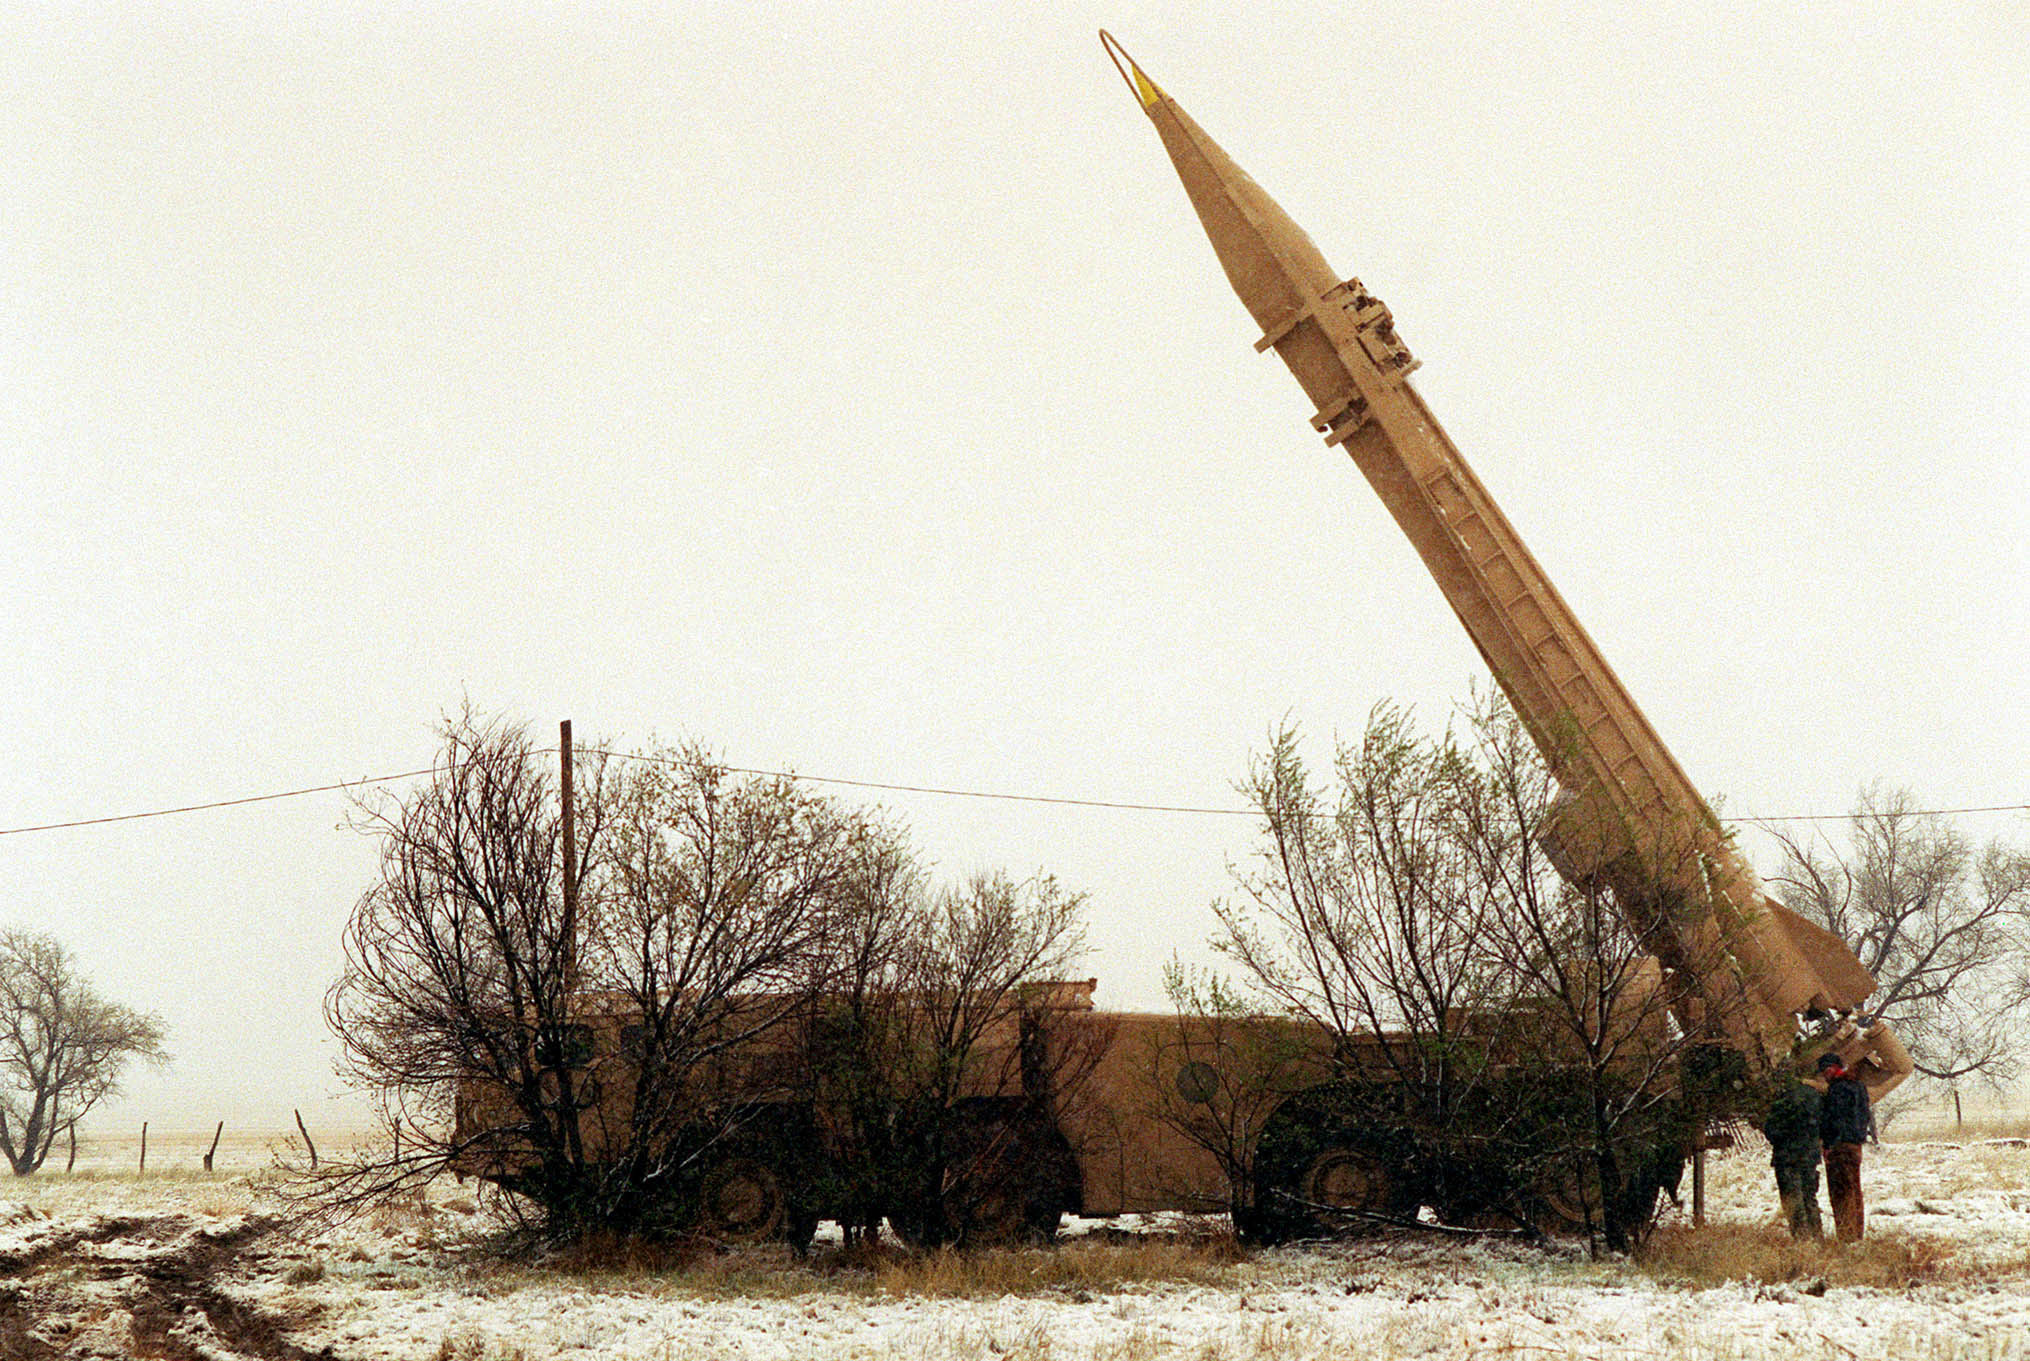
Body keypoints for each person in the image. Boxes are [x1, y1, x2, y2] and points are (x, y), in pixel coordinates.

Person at [1817, 1051, 1874, 1242]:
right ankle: (1857, 1235)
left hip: (1839, 1148)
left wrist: (1828, 1145)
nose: (1825, 1074)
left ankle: (1847, 1237)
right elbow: (1865, 1116)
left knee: (1841, 1195)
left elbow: (1834, 1120)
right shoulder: (1858, 1086)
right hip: (1855, 1146)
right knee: (1854, 1192)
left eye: (1827, 1069)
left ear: (1835, 1068)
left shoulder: (1836, 1090)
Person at [1762, 1072, 1823, 1239]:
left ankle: (1801, 1239)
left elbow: (1771, 1130)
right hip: (1810, 1156)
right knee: (1809, 1197)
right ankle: (1817, 1237)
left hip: (1787, 1157)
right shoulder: (1815, 1098)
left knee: (1792, 1199)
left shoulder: (1783, 1101)